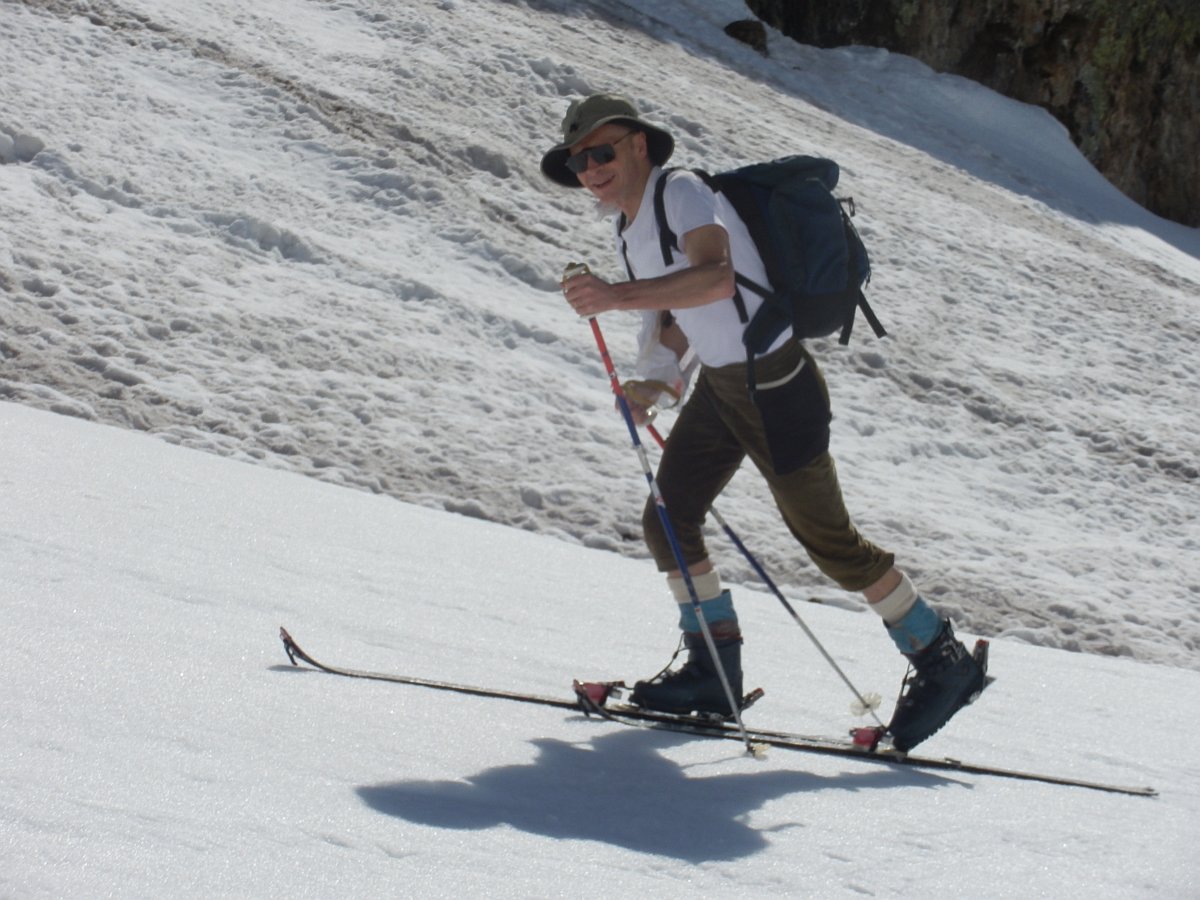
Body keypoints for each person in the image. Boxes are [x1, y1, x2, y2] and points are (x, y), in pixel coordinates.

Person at [541, 93, 985, 751]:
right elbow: (678, 317)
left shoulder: (682, 191)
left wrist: (614, 296)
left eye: (601, 152)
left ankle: (942, 660)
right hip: (726, 388)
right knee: (668, 517)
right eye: (579, 162)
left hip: (775, 386)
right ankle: (711, 671)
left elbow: (716, 279)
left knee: (831, 544)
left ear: (638, 144)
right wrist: (654, 382)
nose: (592, 169)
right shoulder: (631, 226)